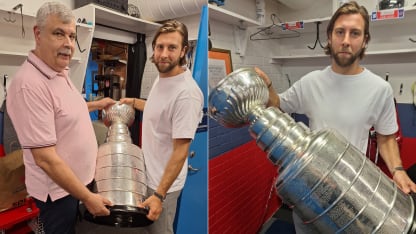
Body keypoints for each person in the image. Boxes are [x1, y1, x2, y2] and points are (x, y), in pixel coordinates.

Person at [255, 1, 416, 233]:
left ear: (365, 41)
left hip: (353, 195)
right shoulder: (311, 82)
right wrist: (268, 86)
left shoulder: (380, 89)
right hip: (310, 191)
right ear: (330, 37)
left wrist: (398, 170)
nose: (346, 40)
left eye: (355, 33)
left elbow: (386, 138)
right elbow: (278, 104)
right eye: (340, 32)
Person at [6, 2, 115, 233]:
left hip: (76, 185)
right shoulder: (29, 86)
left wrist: (97, 104)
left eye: (71, 36)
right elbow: (45, 158)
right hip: (58, 195)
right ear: (37, 34)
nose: (68, 44)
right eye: (58, 33)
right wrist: (87, 197)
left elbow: (64, 111)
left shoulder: (58, 71)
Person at [119, 19, 203, 234]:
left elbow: (181, 150)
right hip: (147, 175)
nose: (164, 54)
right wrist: (134, 103)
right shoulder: (162, 77)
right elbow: (160, 112)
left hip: (161, 186)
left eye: (172, 47)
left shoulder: (187, 94)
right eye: (160, 47)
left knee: (160, 231)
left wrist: (158, 195)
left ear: (183, 50)